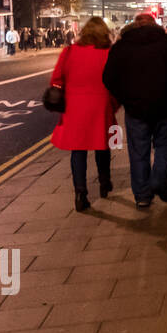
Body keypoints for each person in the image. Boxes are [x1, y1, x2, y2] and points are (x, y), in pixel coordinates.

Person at [102, 12, 167, 208]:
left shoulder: (121, 47)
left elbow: (108, 78)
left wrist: (126, 98)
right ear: (154, 24)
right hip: (166, 106)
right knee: (166, 145)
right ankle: (158, 179)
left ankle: (142, 195)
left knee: (138, 151)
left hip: (136, 109)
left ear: (135, 26)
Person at [49, 17, 119, 212]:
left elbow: (56, 79)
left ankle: (80, 193)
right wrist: (114, 104)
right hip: (101, 105)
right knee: (103, 145)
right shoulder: (109, 53)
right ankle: (104, 182)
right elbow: (116, 81)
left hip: (75, 107)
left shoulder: (70, 51)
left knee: (78, 151)